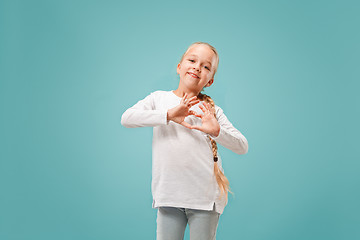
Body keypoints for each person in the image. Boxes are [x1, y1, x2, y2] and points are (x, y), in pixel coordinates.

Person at [121, 41, 249, 240]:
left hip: (205, 200)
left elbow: (242, 146)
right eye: (192, 60)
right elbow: (127, 118)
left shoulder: (212, 112)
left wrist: (216, 131)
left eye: (206, 66)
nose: (197, 67)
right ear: (179, 67)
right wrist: (169, 115)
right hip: (169, 196)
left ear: (210, 81)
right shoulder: (159, 99)